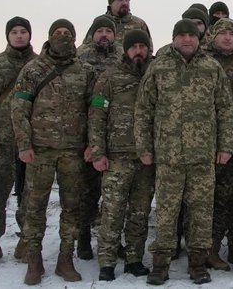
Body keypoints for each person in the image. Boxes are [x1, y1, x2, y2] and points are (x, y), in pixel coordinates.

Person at [134, 19, 233, 285]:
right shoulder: (159, 67)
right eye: (182, 35)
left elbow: (225, 110)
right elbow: (144, 110)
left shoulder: (211, 68)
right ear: (174, 38)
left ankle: (198, 263)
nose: (187, 40)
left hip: (203, 155)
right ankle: (161, 263)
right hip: (168, 156)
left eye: (192, 35)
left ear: (199, 38)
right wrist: (144, 148)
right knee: (167, 211)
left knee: (201, 211)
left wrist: (225, 146)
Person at [12, 19, 94, 285]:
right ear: (49, 36)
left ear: (75, 37)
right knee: (34, 207)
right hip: (40, 151)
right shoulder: (33, 69)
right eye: (58, 33)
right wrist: (24, 145)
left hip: (73, 152)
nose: (63, 37)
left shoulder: (83, 70)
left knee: (72, 207)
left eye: (68, 33)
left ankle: (65, 259)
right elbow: (19, 109)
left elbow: (94, 111)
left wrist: (91, 143)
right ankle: (34, 260)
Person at [88, 30, 154, 281]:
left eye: (142, 46)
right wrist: (97, 152)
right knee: (112, 211)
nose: (139, 50)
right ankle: (106, 261)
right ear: (125, 49)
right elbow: (96, 116)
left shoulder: (153, 75)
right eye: (134, 46)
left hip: (147, 158)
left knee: (140, 212)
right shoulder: (109, 77)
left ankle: (135, 259)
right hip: (116, 157)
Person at [0, 16, 37, 266]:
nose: (20, 35)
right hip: (1, 142)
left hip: (30, 143)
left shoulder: (38, 65)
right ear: (8, 36)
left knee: (30, 193)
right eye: (15, 32)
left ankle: (26, 239)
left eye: (24, 31)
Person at [200, 18, 233, 270]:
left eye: (232, 34)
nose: (228, 38)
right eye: (223, 33)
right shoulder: (203, 62)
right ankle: (208, 248)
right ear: (213, 36)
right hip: (206, 140)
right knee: (212, 199)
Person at [75, 14, 123, 260]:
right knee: (88, 192)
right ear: (92, 34)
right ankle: (83, 238)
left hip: (117, 135)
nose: (105, 35)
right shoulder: (80, 58)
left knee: (115, 195)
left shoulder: (122, 57)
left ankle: (115, 241)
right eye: (100, 31)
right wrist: (88, 143)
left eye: (109, 31)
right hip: (89, 135)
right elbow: (76, 102)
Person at [84, 0, 152, 51]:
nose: (124, 3)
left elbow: (149, 49)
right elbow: (86, 46)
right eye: (120, 0)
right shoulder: (100, 22)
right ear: (111, 3)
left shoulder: (139, 24)